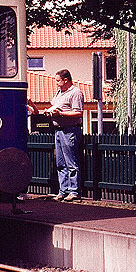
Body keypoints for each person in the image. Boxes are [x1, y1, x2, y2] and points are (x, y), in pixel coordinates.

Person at [38, 69, 84, 201]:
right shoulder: (60, 92)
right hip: (58, 130)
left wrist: (61, 114)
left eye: (58, 81)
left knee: (71, 162)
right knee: (60, 163)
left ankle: (74, 191)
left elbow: (78, 113)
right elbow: (56, 106)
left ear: (66, 80)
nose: (56, 83)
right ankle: (63, 191)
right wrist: (50, 112)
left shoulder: (75, 93)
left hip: (69, 130)